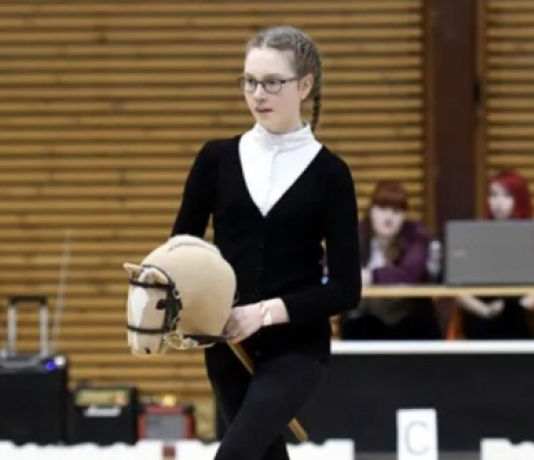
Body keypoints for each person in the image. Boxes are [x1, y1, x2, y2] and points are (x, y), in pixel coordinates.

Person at [170, 25, 362, 460]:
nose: (258, 94)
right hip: (227, 348)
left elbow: (346, 290)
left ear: (304, 86)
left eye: (272, 82)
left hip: (297, 348)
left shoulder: (331, 174)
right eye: (249, 81)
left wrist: (262, 313)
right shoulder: (215, 159)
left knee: (235, 455)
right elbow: (181, 250)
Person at [454, 169, 534, 340]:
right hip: (479, 317)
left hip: (518, 320)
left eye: (506, 196)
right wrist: (484, 310)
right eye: (493, 195)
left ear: (520, 200)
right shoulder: (474, 237)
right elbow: (458, 288)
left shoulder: (533, 238)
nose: (498, 202)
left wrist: (524, 305)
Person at [339, 180, 441, 340]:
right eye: (382, 209)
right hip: (364, 321)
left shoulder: (417, 235)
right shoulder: (354, 234)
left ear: (404, 216)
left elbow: (409, 274)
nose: (388, 217)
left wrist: (371, 277)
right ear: (371, 211)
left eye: (396, 211)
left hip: (409, 322)